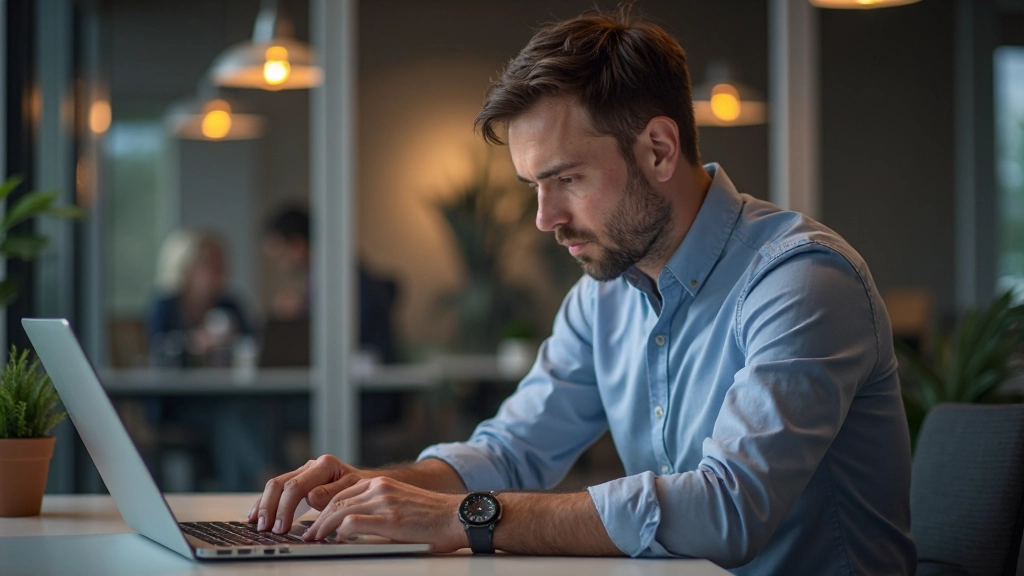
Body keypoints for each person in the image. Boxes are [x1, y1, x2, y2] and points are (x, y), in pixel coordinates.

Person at [246, 9, 916, 574]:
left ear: (657, 151)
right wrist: (376, 489)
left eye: (566, 179)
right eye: (534, 186)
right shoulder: (606, 296)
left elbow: (727, 512)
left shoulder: (800, 280)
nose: (545, 219)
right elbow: (513, 451)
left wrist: (465, 517)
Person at [149, 230, 251, 368]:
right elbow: (155, 348)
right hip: (175, 386)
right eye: (210, 263)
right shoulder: (166, 305)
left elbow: (251, 341)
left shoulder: (229, 304)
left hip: (223, 383)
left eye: (221, 262)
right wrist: (194, 342)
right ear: (184, 267)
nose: (220, 270)